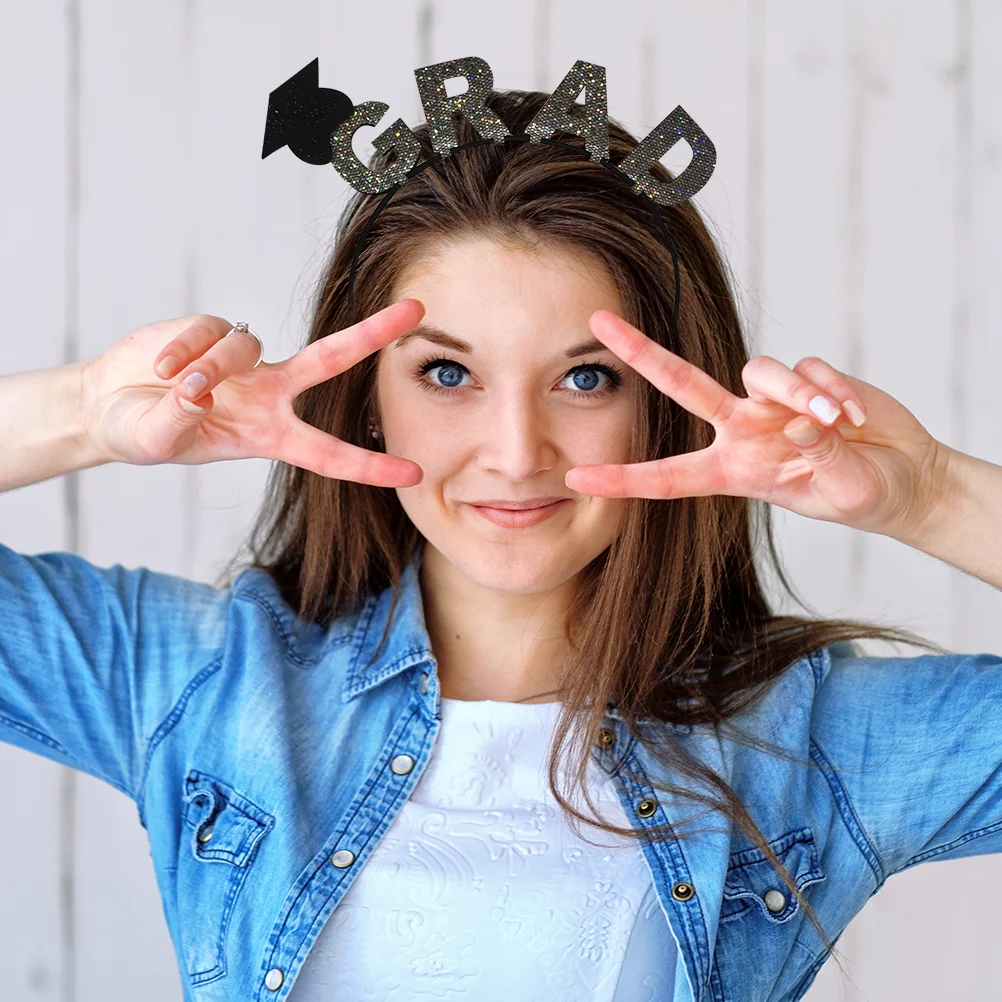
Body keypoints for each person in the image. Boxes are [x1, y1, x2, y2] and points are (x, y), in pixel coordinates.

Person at [1, 87, 1000, 1002]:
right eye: (446, 375)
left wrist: (926, 494)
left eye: (585, 379)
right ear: (367, 399)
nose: (517, 455)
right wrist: (88, 413)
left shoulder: (801, 741)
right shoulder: (207, 682)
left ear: (661, 407)